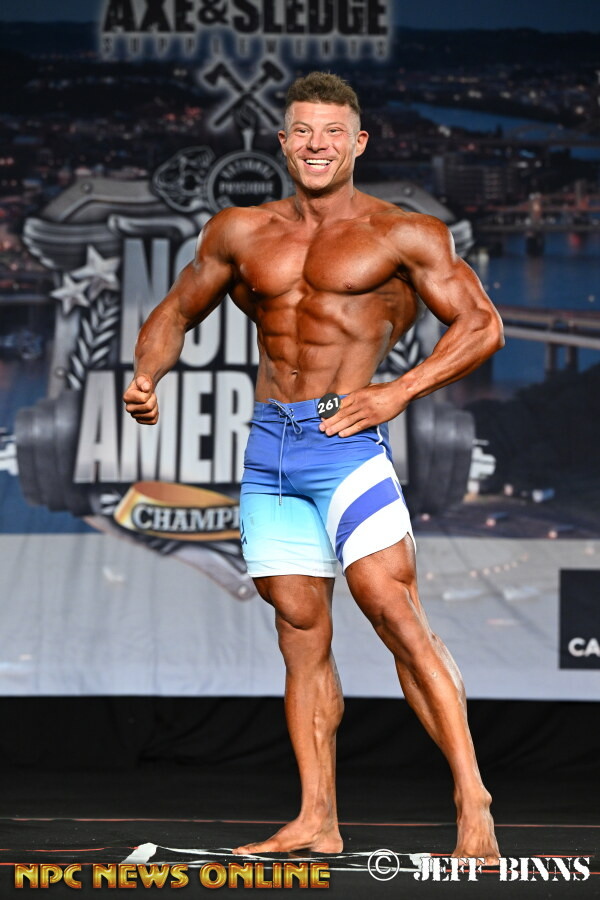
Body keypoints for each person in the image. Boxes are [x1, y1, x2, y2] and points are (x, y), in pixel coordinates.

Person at [123, 71, 503, 863]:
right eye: (303, 130)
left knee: (394, 615)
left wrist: (397, 391)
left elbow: (481, 325)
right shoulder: (241, 230)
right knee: (299, 631)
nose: (317, 144)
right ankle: (317, 819)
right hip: (271, 451)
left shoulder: (404, 233)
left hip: (346, 445)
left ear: (357, 142)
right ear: (284, 141)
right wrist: (146, 376)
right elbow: (177, 309)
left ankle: (473, 798)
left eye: (332, 131)